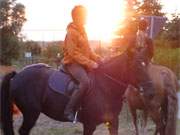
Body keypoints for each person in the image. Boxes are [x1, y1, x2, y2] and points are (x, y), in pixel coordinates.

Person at [62, 5, 101, 122]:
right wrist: (90, 63)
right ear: (77, 17)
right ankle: (68, 110)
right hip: (72, 63)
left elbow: (88, 49)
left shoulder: (82, 31)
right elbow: (73, 53)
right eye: (84, 16)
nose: (86, 18)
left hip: (82, 63)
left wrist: (98, 58)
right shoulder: (71, 32)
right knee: (85, 82)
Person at [127, 18, 155, 106]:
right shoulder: (149, 39)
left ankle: (125, 95)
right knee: (150, 77)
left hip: (134, 63)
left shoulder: (133, 38)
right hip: (145, 62)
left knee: (126, 75)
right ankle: (151, 93)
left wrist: (134, 54)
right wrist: (148, 60)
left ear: (138, 26)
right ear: (147, 27)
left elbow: (128, 50)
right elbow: (152, 52)